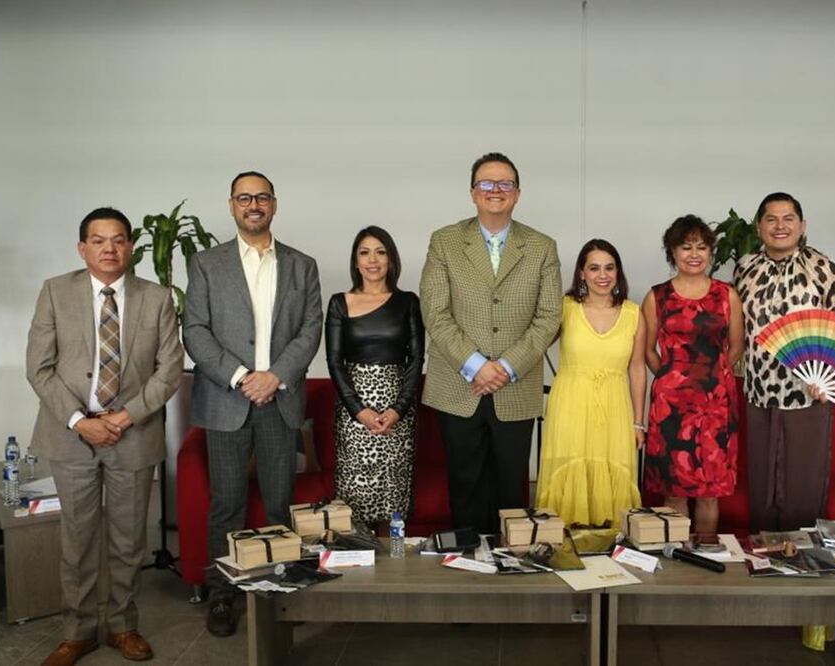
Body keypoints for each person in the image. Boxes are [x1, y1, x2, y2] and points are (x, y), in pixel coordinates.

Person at [27, 207, 183, 665]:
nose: (109, 248)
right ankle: (77, 631)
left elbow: (169, 370)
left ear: (131, 246)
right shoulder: (56, 292)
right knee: (77, 539)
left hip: (132, 434)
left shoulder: (156, 298)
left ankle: (122, 625)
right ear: (83, 248)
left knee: (128, 539)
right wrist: (82, 421)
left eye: (118, 239)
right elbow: (39, 368)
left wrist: (123, 418)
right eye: (98, 240)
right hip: (70, 434)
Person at [183, 171, 322, 637]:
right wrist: (243, 377)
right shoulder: (206, 264)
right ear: (231, 206)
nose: (254, 204)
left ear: (274, 205)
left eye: (262, 197)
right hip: (229, 399)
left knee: (280, 501)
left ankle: (279, 590)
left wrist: (275, 376)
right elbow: (195, 331)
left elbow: (310, 330)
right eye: (245, 198)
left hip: (279, 399)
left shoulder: (303, 265)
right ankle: (223, 592)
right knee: (227, 503)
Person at [419, 152, 562, 534]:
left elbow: (549, 317)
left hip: (516, 387)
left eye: (505, 184)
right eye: (486, 183)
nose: (495, 190)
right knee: (464, 484)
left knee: (510, 489)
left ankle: (509, 575)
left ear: (517, 194)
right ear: (472, 192)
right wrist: (477, 365)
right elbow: (435, 312)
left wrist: (504, 367)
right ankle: (467, 569)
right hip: (458, 385)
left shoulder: (541, 246)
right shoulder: (445, 241)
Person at [733, 192, 835, 532]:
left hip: (808, 392)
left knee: (803, 477)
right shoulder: (745, 268)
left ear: (802, 226)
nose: (780, 226)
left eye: (788, 218)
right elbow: (735, 329)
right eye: (771, 219)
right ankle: (762, 555)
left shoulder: (824, 269)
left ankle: (803, 563)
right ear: (759, 227)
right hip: (758, 391)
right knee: (762, 480)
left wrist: (829, 381)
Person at [642, 215, 744, 539]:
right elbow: (647, 351)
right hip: (670, 405)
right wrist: (675, 379)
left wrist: (709, 378)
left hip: (716, 404)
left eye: (701, 247)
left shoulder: (727, 295)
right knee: (673, 489)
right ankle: (677, 562)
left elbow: (737, 347)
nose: (694, 254)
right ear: (672, 252)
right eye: (686, 247)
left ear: (711, 252)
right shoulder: (656, 296)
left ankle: (706, 555)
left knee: (709, 490)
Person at [535, 239, 646, 527]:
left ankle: (611, 548)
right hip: (569, 405)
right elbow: (534, 345)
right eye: (594, 268)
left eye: (609, 268)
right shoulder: (565, 307)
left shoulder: (634, 313)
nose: (602, 275)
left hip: (615, 408)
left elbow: (637, 368)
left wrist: (638, 422)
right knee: (568, 472)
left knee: (613, 474)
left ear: (618, 271)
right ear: (581, 273)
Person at [325, 226, 423, 530]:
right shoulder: (339, 302)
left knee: (394, 495)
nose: (373, 260)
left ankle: (394, 564)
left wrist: (398, 410)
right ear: (356, 261)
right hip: (355, 411)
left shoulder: (408, 301)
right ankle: (359, 563)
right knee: (356, 494)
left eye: (381, 252)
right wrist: (359, 411)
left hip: (398, 411)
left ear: (391, 259)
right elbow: (334, 361)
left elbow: (416, 359)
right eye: (365, 252)